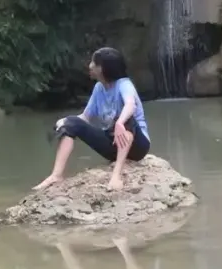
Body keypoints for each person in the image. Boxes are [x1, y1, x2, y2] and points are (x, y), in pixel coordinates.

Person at [34, 47, 150, 191]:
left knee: (126, 120)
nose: (90, 66)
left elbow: (130, 104)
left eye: (93, 63)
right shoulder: (99, 88)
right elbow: (85, 117)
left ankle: (116, 177)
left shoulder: (124, 84)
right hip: (112, 143)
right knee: (71, 123)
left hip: (138, 146)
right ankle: (56, 175)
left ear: (102, 68)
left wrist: (120, 122)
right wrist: (67, 122)